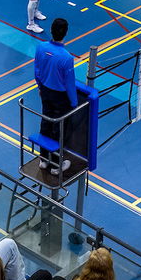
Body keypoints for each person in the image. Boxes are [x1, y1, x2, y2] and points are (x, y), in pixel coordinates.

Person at [33, 16, 83, 176]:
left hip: (46, 92)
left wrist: (40, 87)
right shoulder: (66, 58)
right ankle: (57, 164)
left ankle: (43, 159)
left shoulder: (41, 47)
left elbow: (37, 71)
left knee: (46, 122)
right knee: (59, 128)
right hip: (60, 98)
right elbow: (69, 83)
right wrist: (74, 103)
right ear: (66, 33)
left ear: (51, 30)